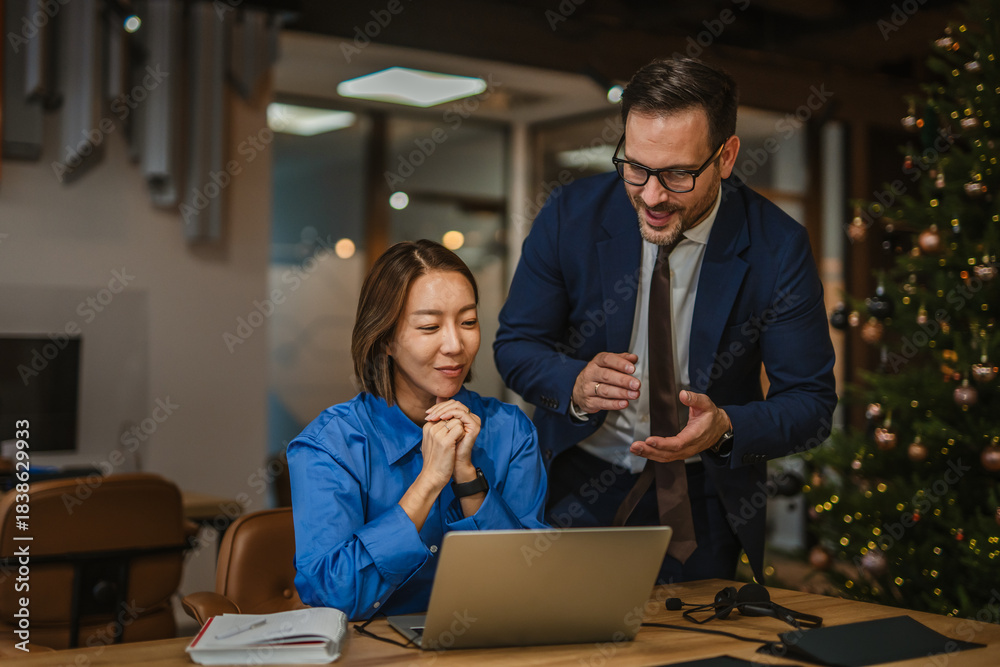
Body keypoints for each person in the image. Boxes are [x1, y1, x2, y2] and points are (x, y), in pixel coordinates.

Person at [494, 57, 836, 584]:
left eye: (677, 174)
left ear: (726, 157)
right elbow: (516, 344)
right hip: (575, 482)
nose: (652, 196)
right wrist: (575, 383)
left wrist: (726, 427)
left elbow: (811, 404)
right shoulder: (570, 215)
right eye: (636, 167)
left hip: (703, 498)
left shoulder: (778, 246)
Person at [289, 239, 547, 621]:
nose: (455, 345)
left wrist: (468, 480)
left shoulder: (511, 432)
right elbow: (331, 597)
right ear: (385, 339)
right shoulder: (330, 446)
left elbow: (530, 584)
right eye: (430, 327)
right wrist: (427, 483)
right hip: (372, 648)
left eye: (468, 322)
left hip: (491, 643)